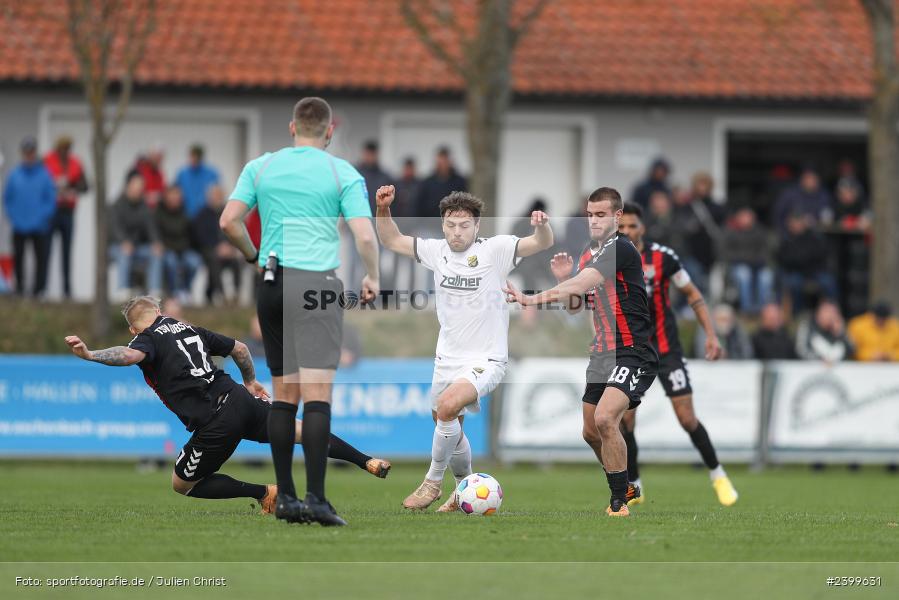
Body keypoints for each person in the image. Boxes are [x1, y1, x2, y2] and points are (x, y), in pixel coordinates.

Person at [64, 296, 390, 513]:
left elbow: (131, 355)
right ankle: (367, 461)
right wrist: (250, 381)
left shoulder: (145, 337)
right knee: (302, 431)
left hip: (215, 421)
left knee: (183, 484)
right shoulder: (189, 328)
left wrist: (91, 355)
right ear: (160, 312)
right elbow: (241, 348)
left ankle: (264, 493)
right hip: (240, 398)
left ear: (133, 327)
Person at [219, 97, 380, 526]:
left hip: (271, 284)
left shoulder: (262, 167)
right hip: (317, 286)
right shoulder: (341, 171)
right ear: (329, 132)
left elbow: (228, 221)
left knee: (283, 395)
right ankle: (317, 500)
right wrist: (373, 276)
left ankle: (287, 499)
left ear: (293, 128)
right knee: (317, 396)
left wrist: (253, 256)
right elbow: (365, 235)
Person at [375, 184, 553, 512]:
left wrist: (541, 226)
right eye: (451, 225)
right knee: (446, 420)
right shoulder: (435, 251)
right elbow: (391, 240)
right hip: (447, 357)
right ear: (443, 225)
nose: (457, 232)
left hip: (487, 358)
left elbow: (541, 243)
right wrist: (384, 210)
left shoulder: (495, 250)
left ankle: (432, 483)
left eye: (464, 225)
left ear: (477, 226)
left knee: (447, 407)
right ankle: (464, 489)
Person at [505, 187, 657, 518]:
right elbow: (576, 306)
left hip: (632, 352)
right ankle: (626, 485)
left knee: (606, 418)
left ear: (617, 217)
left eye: (601, 214)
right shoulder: (590, 254)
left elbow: (578, 285)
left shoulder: (622, 248)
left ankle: (619, 501)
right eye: (590, 214)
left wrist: (532, 298)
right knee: (590, 432)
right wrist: (564, 279)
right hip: (602, 353)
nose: (594, 220)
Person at [616, 203, 737, 507]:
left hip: (667, 349)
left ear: (642, 227)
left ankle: (718, 475)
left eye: (632, 226)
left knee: (686, 418)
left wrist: (711, 335)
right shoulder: (610, 258)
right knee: (626, 421)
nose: (627, 232)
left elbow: (693, 293)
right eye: (621, 228)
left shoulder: (663, 257)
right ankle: (634, 484)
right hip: (633, 352)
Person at [3, 136, 56, 297]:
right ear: (22, 154)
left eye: (31, 152)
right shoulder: (14, 175)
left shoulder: (44, 175)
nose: (29, 155)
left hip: (39, 226)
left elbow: (50, 200)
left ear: (35, 153)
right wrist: (14, 217)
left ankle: (39, 291)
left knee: (41, 259)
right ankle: (19, 289)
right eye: (26, 152)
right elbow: (7, 199)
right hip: (19, 225)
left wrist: (41, 218)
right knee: (18, 258)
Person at [44, 135, 88, 298]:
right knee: (46, 251)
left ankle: (67, 290)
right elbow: (41, 183)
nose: (64, 151)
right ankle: (43, 288)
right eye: (62, 148)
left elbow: (85, 186)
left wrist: (72, 186)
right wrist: (55, 185)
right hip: (51, 211)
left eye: (67, 148)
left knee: (66, 253)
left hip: (67, 212)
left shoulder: (75, 163)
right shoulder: (47, 161)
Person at [108, 173, 163, 299]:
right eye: (136, 187)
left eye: (141, 188)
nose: (138, 191)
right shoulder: (116, 206)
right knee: (124, 253)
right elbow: (115, 229)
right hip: (116, 247)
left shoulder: (144, 207)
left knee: (155, 253)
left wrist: (156, 242)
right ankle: (123, 290)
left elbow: (151, 228)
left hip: (137, 248)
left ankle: (154, 292)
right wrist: (123, 242)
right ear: (128, 186)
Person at [776, 212, 837, 315]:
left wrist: (802, 259)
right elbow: (783, 258)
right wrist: (801, 259)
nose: (796, 225)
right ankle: (797, 313)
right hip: (794, 271)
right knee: (794, 284)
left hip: (814, 270)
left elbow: (820, 254)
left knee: (828, 282)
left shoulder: (814, 236)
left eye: (798, 222)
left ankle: (832, 312)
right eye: (793, 222)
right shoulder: (786, 238)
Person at [192, 185, 242, 304]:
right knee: (214, 261)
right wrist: (217, 247)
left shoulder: (227, 213)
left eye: (219, 196)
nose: (217, 199)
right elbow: (200, 236)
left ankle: (235, 292)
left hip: (227, 249)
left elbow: (234, 231)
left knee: (237, 261)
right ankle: (220, 293)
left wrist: (230, 247)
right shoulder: (202, 214)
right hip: (208, 249)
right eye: (214, 196)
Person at [156, 185, 203, 303]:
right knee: (171, 262)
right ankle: (174, 291)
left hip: (184, 250)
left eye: (177, 196)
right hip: (167, 251)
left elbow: (192, 237)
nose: (175, 199)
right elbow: (158, 237)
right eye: (172, 196)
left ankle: (185, 290)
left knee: (194, 261)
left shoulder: (185, 214)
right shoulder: (158, 214)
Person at [722, 207, 773, 314]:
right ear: (738, 218)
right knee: (744, 274)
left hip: (757, 266)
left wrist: (750, 259)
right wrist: (747, 258)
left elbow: (765, 253)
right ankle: (747, 309)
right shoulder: (730, 231)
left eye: (749, 217)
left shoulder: (759, 231)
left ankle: (762, 309)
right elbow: (726, 253)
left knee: (766, 276)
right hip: (736, 266)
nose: (747, 220)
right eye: (744, 217)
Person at [772, 165, 833, 235]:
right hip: (789, 234)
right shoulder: (789, 194)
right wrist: (789, 224)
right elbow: (777, 215)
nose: (810, 181)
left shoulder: (824, 196)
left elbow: (827, 218)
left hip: (815, 234)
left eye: (813, 178)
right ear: (802, 178)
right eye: (808, 177)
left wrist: (812, 221)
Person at [415, 146, 467, 220]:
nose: (443, 165)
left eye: (445, 162)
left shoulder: (460, 181)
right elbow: (419, 205)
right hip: (430, 224)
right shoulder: (427, 182)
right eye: (440, 162)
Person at [175, 144, 220, 220]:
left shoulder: (212, 173)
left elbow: (217, 195)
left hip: (206, 217)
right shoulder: (182, 174)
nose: (194, 159)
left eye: (197, 157)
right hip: (186, 216)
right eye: (192, 156)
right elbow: (176, 193)